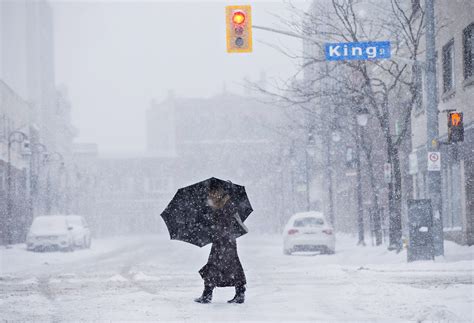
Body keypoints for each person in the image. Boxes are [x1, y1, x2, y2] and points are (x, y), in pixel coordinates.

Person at [194, 183, 247, 304]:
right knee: (226, 265)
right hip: (223, 240)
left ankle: (208, 294)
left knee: (218, 265)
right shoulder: (221, 205)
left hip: (225, 241)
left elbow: (225, 225)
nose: (210, 196)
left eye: (212, 194)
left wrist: (214, 226)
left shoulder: (226, 206)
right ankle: (239, 292)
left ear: (218, 193)